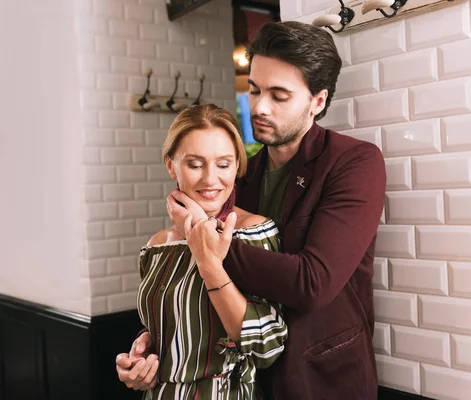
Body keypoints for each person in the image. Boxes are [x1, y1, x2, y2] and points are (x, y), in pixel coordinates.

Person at [118, 21, 386, 399]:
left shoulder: (354, 162)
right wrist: (154, 348)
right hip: (243, 385)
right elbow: (205, 290)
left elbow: (313, 284)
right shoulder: (238, 173)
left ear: (318, 101)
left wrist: (202, 241)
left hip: (320, 380)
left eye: (279, 95)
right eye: (255, 89)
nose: (258, 106)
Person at [117, 104, 288, 399]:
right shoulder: (157, 246)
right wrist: (140, 361)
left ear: (237, 165)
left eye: (223, 164)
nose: (210, 179)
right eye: (195, 164)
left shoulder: (253, 234)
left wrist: (208, 260)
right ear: (171, 165)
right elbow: (169, 327)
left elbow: (267, 346)